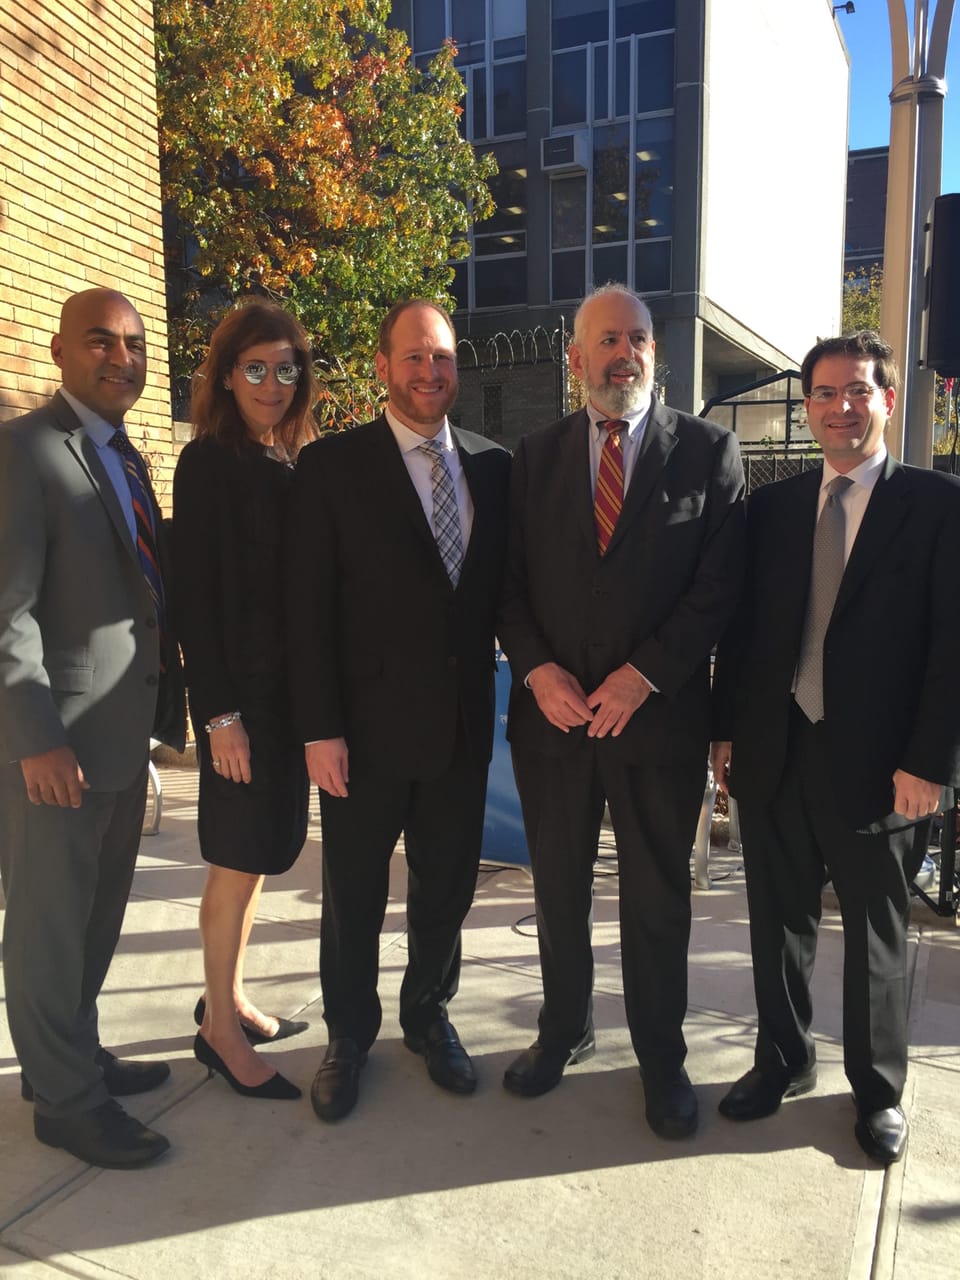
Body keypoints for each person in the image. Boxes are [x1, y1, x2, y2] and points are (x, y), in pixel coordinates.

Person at [498, 284, 744, 1139]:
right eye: (606, 340)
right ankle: (564, 1028)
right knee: (559, 888)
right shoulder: (532, 458)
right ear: (576, 358)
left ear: (654, 352)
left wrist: (645, 675)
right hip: (556, 725)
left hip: (657, 724)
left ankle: (661, 1058)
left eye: (636, 338)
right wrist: (536, 672)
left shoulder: (710, 453)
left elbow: (719, 589)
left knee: (655, 898)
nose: (623, 354)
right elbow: (508, 583)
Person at [710, 330, 960, 1166]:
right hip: (776, 751)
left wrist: (931, 762)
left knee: (876, 939)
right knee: (776, 926)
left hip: (883, 768)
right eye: (824, 392)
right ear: (808, 405)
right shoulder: (774, 509)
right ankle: (782, 1058)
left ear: (887, 400)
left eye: (858, 391)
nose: (840, 407)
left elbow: (951, 647)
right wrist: (724, 733)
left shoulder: (937, 506)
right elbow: (743, 636)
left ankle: (878, 1092)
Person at [286, 299, 510, 1122]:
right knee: (352, 894)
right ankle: (348, 1035)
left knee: (445, 887)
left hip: (459, 730)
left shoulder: (494, 467)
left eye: (443, 358)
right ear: (383, 366)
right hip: (361, 736)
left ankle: (429, 1015)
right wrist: (318, 728)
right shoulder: (334, 467)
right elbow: (305, 609)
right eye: (413, 357)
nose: (429, 372)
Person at [0, 288, 185, 1168]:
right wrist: (35, 735)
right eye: (101, 342)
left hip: (118, 739)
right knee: (47, 922)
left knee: (98, 914)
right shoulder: (24, 451)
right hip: (57, 750)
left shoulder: (127, 457)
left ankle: (68, 1056)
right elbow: (7, 615)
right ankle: (65, 1103)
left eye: (136, 343)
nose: (123, 357)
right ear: (60, 350)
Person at [172, 301, 315, 1102]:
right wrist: (218, 716)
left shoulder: (288, 460)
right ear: (227, 376)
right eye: (255, 368)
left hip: (285, 706)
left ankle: (226, 999)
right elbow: (196, 599)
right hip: (241, 709)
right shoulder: (208, 463)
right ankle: (218, 1034)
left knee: (258, 856)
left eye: (285, 368)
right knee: (234, 863)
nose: (271, 383)